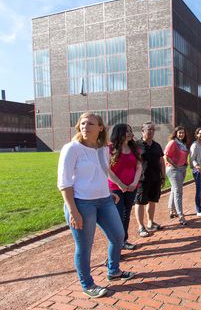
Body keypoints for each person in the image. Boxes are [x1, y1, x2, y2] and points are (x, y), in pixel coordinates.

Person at [58, 112, 135, 299]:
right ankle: (88, 284)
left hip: (105, 201)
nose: (85, 126)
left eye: (90, 123)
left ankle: (113, 270)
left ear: (100, 128)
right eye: (83, 123)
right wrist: (73, 211)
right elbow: (64, 183)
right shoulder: (71, 149)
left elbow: (102, 172)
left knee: (118, 236)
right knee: (85, 246)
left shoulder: (103, 149)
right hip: (81, 204)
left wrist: (108, 193)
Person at [108, 124, 142, 250]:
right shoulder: (110, 148)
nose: (130, 133)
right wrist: (120, 184)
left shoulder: (134, 148)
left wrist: (134, 183)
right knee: (118, 215)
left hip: (131, 187)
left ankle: (123, 240)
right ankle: (116, 242)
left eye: (130, 131)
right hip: (115, 188)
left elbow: (139, 167)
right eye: (127, 131)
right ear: (120, 133)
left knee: (126, 214)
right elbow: (107, 170)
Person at [134, 122, 166, 237]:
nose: (151, 131)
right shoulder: (136, 145)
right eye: (149, 129)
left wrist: (163, 176)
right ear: (142, 131)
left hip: (155, 178)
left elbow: (161, 161)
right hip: (141, 179)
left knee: (152, 201)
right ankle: (140, 226)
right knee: (140, 202)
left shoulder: (157, 145)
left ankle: (150, 222)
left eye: (153, 129)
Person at [165, 126, 189, 225]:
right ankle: (181, 215)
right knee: (178, 192)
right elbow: (166, 155)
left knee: (174, 190)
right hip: (174, 170)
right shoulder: (173, 142)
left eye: (183, 133)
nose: (181, 134)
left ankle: (171, 210)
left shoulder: (182, 143)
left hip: (182, 169)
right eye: (179, 132)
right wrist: (175, 165)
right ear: (176, 133)